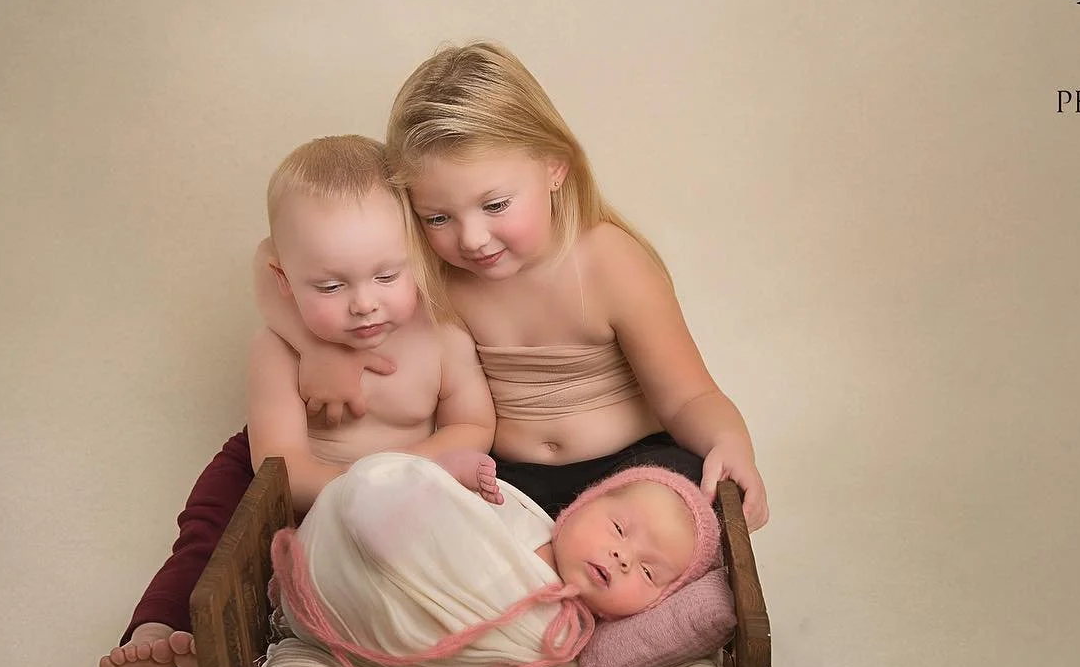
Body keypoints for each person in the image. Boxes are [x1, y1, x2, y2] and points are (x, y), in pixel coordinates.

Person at [270, 41, 769, 525]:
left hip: (629, 468)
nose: (471, 238)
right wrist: (315, 348)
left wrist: (729, 440)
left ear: (554, 167)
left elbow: (687, 398)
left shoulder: (608, 262)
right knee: (436, 530)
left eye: (495, 205)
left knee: (668, 502)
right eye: (438, 216)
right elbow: (278, 258)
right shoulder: (435, 267)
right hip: (507, 481)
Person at [99, 135, 497, 667]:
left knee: (377, 574)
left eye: (387, 277)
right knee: (213, 543)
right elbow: (279, 466)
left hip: (397, 491)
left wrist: (402, 477)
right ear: (284, 281)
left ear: (419, 258)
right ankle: (155, 638)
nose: (364, 303)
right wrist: (363, 487)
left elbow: (473, 424)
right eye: (331, 286)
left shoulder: (442, 335)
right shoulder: (278, 349)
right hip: (279, 478)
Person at [270, 452, 721, 667]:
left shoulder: (559, 635)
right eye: (619, 528)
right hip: (389, 547)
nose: (622, 556)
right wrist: (450, 481)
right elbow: (456, 524)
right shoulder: (523, 515)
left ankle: (343, 569)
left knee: (383, 531)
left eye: (647, 572)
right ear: (581, 506)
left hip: (371, 606)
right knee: (382, 483)